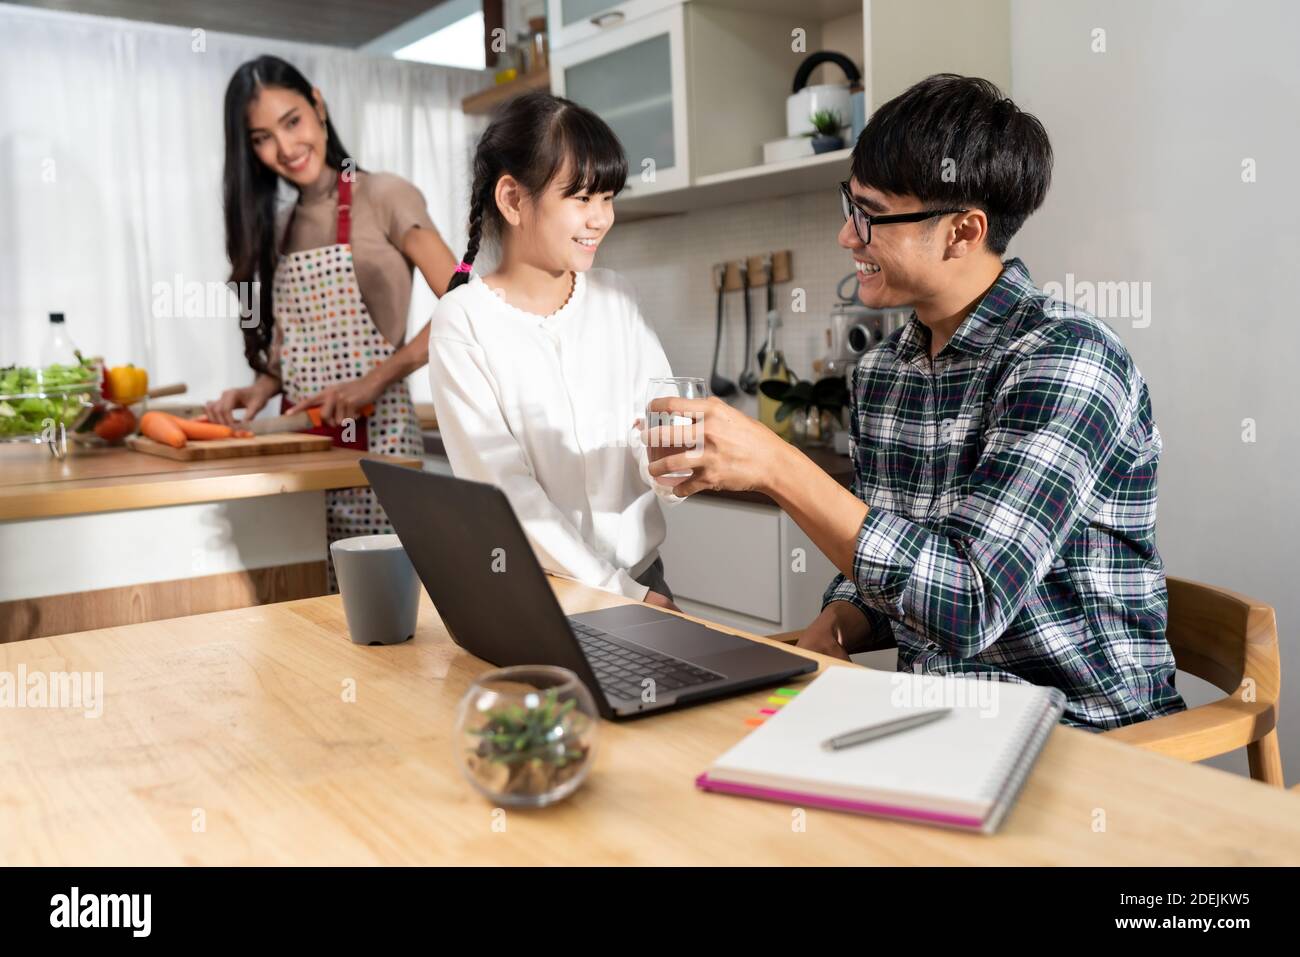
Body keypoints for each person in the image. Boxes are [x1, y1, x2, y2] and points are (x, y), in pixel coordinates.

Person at [644, 75, 1186, 730]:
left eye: (870, 215)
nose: (848, 236)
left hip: (1089, 738)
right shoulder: (882, 372)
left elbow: (968, 599)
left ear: (963, 231)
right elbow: (900, 554)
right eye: (850, 204)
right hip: (938, 726)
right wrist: (845, 614)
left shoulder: (1066, 361)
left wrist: (777, 466)